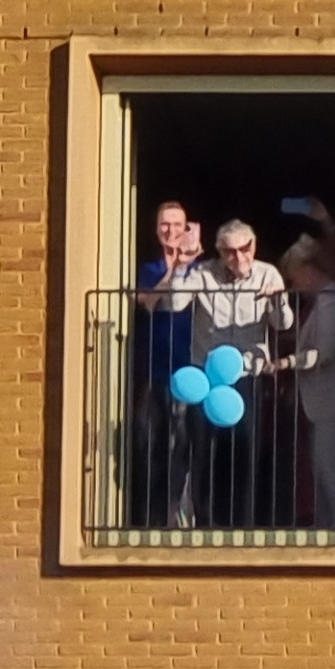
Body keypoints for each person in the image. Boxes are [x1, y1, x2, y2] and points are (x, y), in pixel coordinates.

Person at [161, 218, 288, 528]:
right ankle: (205, 524)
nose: (238, 257)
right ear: (219, 251)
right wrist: (180, 266)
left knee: (246, 453)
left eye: (244, 249)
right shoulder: (204, 273)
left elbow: (283, 323)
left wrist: (277, 298)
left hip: (246, 376)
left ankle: (242, 525)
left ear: (253, 247)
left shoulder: (267, 273)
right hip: (206, 378)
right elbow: (175, 303)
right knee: (202, 451)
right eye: (230, 251)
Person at [270, 233, 335, 531]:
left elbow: (323, 354)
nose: (295, 285)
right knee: (320, 466)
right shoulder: (324, 301)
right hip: (325, 400)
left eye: (295, 277)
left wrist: (287, 362)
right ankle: (325, 525)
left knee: (328, 466)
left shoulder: (333, 303)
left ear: (310, 271)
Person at [126, 199, 199, 528]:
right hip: (154, 370)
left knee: (183, 449)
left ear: (188, 229)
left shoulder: (203, 270)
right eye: (164, 225)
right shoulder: (147, 269)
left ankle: (177, 518)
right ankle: (150, 521)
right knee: (150, 447)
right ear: (156, 230)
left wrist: (188, 266)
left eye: (177, 224)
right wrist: (175, 269)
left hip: (192, 372)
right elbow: (147, 303)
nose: (171, 231)